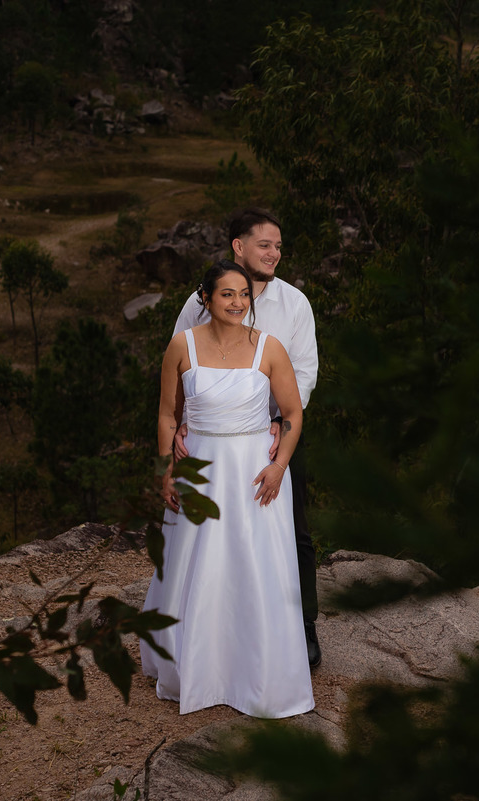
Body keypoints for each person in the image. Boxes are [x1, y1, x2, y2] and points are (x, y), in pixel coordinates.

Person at [141, 260, 313, 718]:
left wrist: (279, 466)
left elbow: (293, 414)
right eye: (227, 294)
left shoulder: (269, 348)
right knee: (195, 565)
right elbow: (166, 415)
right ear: (205, 299)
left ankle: (259, 673)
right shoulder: (182, 346)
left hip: (255, 472)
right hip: (199, 467)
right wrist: (164, 471)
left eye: (244, 295)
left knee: (255, 567)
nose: (238, 303)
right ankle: (196, 668)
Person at [170, 208, 323, 668]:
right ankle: (213, 633)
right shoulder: (198, 302)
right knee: (213, 535)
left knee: (292, 535)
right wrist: (181, 421)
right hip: (211, 436)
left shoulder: (294, 303)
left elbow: (305, 371)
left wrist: (279, 421)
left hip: (275, 433)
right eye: (265, 245)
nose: (275, 253)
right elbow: (180, 363)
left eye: (278, 246)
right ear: (238, 246)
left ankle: (302, 627)